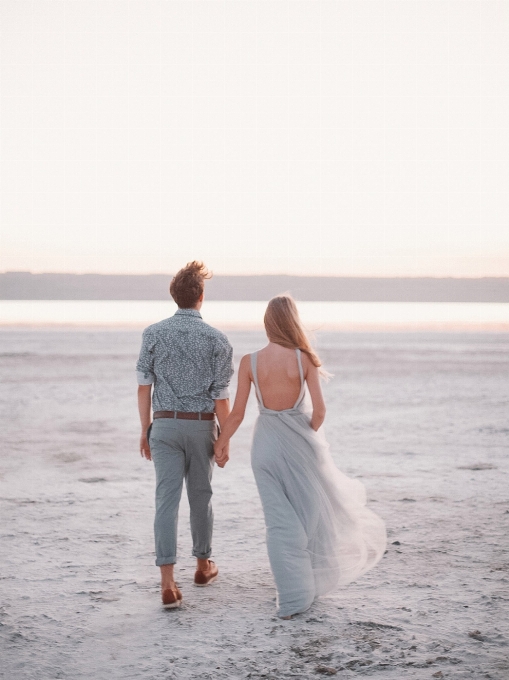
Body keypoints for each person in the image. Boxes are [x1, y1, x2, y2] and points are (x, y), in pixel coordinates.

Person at [214, 294, 386, 619]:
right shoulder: (303, 358)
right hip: (299, 445)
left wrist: (221, 442)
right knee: (310, 516)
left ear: (267, 324)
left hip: (263, 446)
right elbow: (320, 412)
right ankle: (306, 590)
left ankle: (291, 597)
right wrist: (304, 434)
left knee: (278, 523)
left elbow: (236, 414)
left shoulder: (249, 361)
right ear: (292, 322)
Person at [136, 261, 233, 609]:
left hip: (163, 424)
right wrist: (224, 440)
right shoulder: (217, 339)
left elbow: (144, 388)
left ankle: (167, 582)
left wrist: (145, 429)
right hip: (201, 425)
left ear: (174, 296)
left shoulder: (153, 333)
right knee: (200, 497)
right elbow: (221, 398)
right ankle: (203, 566)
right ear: (201, 297)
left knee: (166, 500)